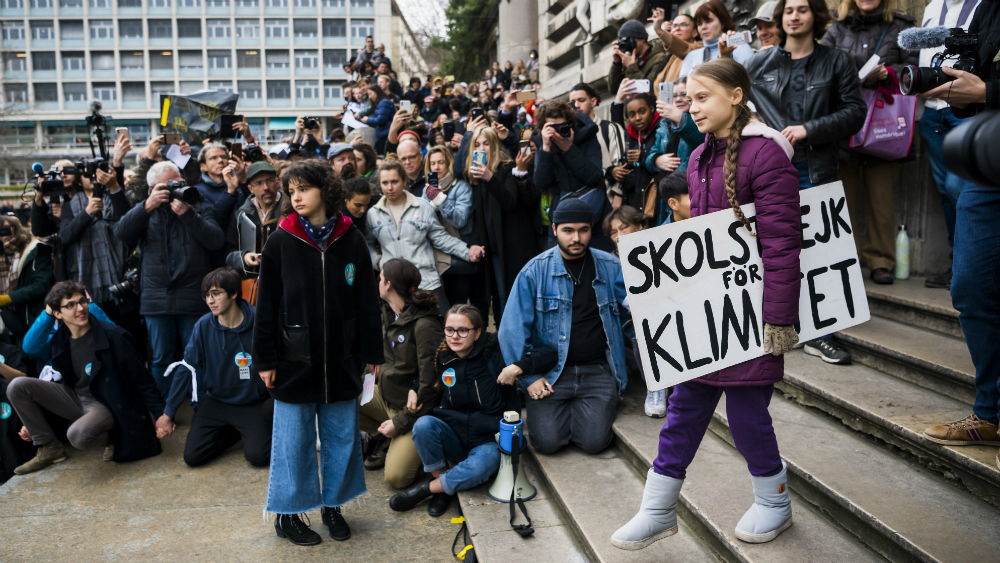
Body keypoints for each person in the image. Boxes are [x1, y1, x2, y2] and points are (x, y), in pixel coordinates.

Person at [611, 58, 801, 550]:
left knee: (747, 419)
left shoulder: (768, 156)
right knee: (681, 415)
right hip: (705, 320)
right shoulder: (695, 159)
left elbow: (782, 243)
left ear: (736, 96)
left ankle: (774, 503)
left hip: (752, 317)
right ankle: (657, 510)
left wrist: (779, 318)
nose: (691, 107)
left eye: (702, 97)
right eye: (687, 99)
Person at [254, 159, 383, 546]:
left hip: (342, 359)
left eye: (303, 189)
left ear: (324, 191)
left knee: (342, 438)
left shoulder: (351, 236)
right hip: (293, 361)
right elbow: (266, 305)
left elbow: (365, 299)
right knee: (293, 444)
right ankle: (288, 515)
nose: (295, 196)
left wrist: (372, 351)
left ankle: (334, 506)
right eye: (290, 189)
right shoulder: (281, 238)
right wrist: (264, 359)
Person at [747, 0, 868, 365]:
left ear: (815, 15)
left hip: (814, 169)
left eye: (802, 9)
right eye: (788, 10)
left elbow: (855, 112)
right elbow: (738, 105)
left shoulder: (837, 60)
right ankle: (775, 326)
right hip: (767, 170)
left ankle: (822, 334)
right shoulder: (759, 63)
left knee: (820, 254)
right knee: (769, 250)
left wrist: (809, 129)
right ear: (780, 18)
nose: (795, 16)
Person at [919, 0, 1000, 465]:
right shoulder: (986, 8)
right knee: (970, 285)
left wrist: (987, 91)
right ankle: (988, 414)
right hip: (988, 155)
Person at [389, 304, 557, 515]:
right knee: (423, 425)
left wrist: (517, 367)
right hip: (454, 435)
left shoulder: (497, 349)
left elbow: (548, 352)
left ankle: (428, 490)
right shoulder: (442, 356)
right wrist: (414, 389)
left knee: (480, 467)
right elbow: (427, 381)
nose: (454, 336)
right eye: (449, 329)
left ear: (477, 332)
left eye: (462, 330)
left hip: (487, 440)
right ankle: (442, 486)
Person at [498, 198, 632, 456]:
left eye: (583, 230)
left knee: (594, 443)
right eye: (568, 230)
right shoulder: (534, 272)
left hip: (598, 370)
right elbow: (511, 330)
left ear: (592, 229)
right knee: (546, 443)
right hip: (551, 373)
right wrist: (528, 378)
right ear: (555, 229)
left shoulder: (612, 267)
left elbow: (633, 319)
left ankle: (580, 413)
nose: (576, 238)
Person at [7, 281, 166, 474]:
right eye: (70, 305)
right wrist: (36, 419)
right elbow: (32, 349)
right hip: (76, 399)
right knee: (17, 385)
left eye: (82, 301)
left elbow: (143, 380)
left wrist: (160, 415)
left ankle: (113, 437)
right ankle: (50, 448)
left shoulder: (114, 337)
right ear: (57, 314)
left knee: (78, 435)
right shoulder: (60, 341)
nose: (80, 308)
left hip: (107, 403)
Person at [820, 0, 918, 285]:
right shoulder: (835, 30)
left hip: (884, 125)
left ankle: (880, 260)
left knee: (881, 199)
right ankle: (843, 260)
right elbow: (817, 68)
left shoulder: (903, 27)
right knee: (841, 198)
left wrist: (890, 73)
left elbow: (915, 70)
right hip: (843, 123)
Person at [114, 161, 225, 398]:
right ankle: (164, 408)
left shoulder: (199, 206)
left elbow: (215, 241)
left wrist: (189, 215)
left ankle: (201, 405)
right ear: (152, 187)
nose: (174, 189)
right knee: (160, 357)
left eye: (178, 183)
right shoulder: (145, 210)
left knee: (197, 354)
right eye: (167, 185)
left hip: (193, 293)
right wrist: (146, 206)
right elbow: (120, 233)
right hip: (156, 297)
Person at [156, 268, 272, 467]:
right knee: (192, 457)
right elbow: (186, 368)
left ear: (233, 293)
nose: (210, 301)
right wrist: (168, 413)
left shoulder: (259, 322)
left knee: (258, 457)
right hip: (217, 401)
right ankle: (237, 430)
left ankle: (249, 429)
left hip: (252, 402)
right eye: (207, 296)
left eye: (216, 294)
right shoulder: (203, 326)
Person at [913, 0, 982, 289]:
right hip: (932, 111)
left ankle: (975, 266)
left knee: (959, 187)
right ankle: (958, 265)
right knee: (945, 189)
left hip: (966, 109)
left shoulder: (982, 5)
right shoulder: (930, 8)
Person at [359, 258, 444, 489]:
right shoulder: (390, 312)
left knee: (396, 478)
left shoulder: (425, 325)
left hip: (414, 413)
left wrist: (401, 422)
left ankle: (402, 439)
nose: (378, 281)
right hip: (387, 398)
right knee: (345, 395)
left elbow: (431, 387)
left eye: (380, 277)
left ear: (388, 285)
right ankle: (384, 439)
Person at [366, 160, 481, 312]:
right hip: (394, 286)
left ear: (404, 181)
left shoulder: (422, 206)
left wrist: (468, 252)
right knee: (403, 334)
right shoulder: (373, 214)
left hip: (427, 281)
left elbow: (441, 238)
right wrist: (378, 262)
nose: (390, 187)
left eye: (394, 181)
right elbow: (367, 243)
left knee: (443, 328)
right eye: (385, 183)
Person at [463, 125, 538, 325]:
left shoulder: (507, 168)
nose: (482, 148)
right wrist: (475, 242)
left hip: (513, 249)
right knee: (499, 299)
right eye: (477, 144)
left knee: (514, 298)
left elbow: (510, 201)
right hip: (493, 249)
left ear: (494, 146)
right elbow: (479, 216)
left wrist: (489, 177)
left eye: (486, 143)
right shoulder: (476, 177)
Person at [533, 99, 610, 250]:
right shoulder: (543, 144)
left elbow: (594, 176)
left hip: (594, 215)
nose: (557, 131)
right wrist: (546, 149)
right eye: (551, 127)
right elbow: (541, 183)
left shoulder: (587, 136)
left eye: (562, 126)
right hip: (561, 217)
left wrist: (569, 148)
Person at [422, 146, 485, 316]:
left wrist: (440, 200)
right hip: (436, 253)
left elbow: (459, 220)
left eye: (441, 162)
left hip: (459, 254)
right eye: (433, 163)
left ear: (449, 163)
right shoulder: (425, 190)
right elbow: (424, 222)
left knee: (459, 307)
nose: (436, 167)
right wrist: (431, 200)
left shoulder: (461, 187)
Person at [611, 85, 675, 219]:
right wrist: (615, 172)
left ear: (651, 109)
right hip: (633, 202)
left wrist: (643, 157)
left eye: (642, 111)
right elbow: (626, 164)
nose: (638, 118)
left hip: (656, 202)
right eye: (632, 114)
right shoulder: (630, 135)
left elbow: (666, 162)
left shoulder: (662, 129)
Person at [224, 162, 282, 305]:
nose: (266, 187)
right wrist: (243, 257)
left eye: (269, 180)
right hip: (252, 288)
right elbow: (228, 253)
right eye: (258, 183)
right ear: (250, 188)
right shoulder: (240, 215)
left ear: (278, 183)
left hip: (284, 282)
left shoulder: (291, 210)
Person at [568, 83, 628, 206]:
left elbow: (623, 165)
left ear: (593, 101)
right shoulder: (568, 133)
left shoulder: (610, 128)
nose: (576, 105)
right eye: (572, 102)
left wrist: (618, 198)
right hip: (578, 203)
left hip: (607, 202)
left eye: (581, 100)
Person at [0, 216, 54, 342]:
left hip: (31, 316)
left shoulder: (34, 248)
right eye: (2, 230)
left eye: (9, 228)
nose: (8, 233)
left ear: (17, 228)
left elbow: (41, 284)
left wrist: (8, 298)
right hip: (6, 321)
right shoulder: (2, 254)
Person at [679, 0, 755, 78]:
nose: (703, 27)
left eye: (708, 21)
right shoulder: (692, 56)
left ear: (722, 22)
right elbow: (681, 87)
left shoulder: (740, 47)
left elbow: (749, 81)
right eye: (699, 24)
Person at [195, 142, 248, 230]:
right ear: (203, 167)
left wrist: (243, 180)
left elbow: (254, 204)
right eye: (213, 158)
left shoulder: (237, 181)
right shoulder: (198, 191)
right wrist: (230, 192)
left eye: (223, 157)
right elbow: (215, 221)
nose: (220, 160)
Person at [609, 19, 668, 95]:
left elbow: (652, 90)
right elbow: (614, 90)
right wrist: (617, 63)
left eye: (629, 40)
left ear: (643, 39)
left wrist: (632, 68)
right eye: (623, 41)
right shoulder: (629, 60)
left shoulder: (659, 58)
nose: (628, 44)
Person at [650, 9, 703, 91]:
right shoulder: (671, 57)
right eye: (674, 26)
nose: (677, 28)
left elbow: (684, 48)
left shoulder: (700, 47)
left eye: (683, 24)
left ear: (695, 32)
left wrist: (659, 30)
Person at [360, 85, 396, 153]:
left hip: (386, 134)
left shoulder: (384, 102)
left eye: (370, 94)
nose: (370, 97)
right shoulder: (380, 103)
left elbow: (381, 120)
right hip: (384, 133)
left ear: (376, 92)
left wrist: (368, 120)